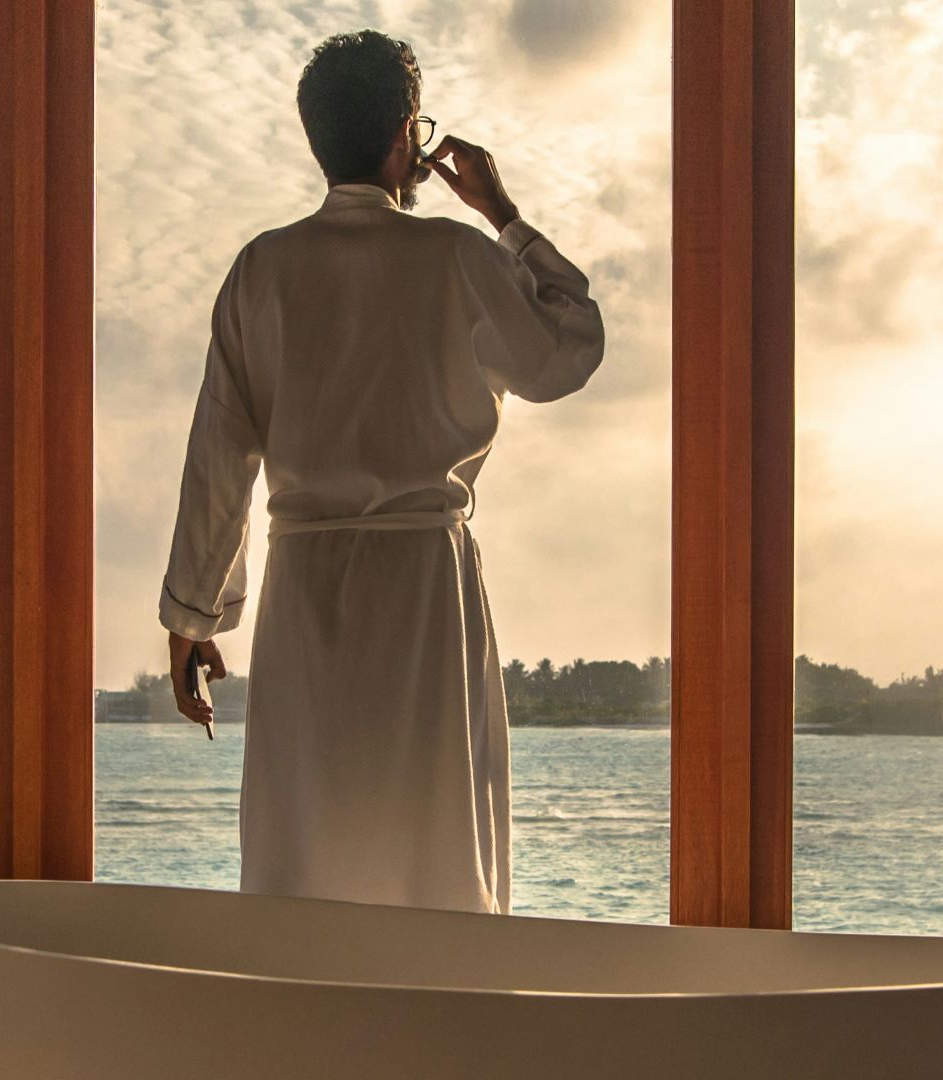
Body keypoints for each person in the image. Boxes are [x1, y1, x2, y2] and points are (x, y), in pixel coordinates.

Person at [156, 29, 604, 915]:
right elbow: (568, 350)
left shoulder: (263, 270)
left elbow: (219, 456)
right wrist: (502, 213)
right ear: (408, 134)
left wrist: (192, 616)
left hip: (307, 594)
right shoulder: (458, 258)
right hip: (425, 588)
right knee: (436, 851)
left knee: (305, 858)